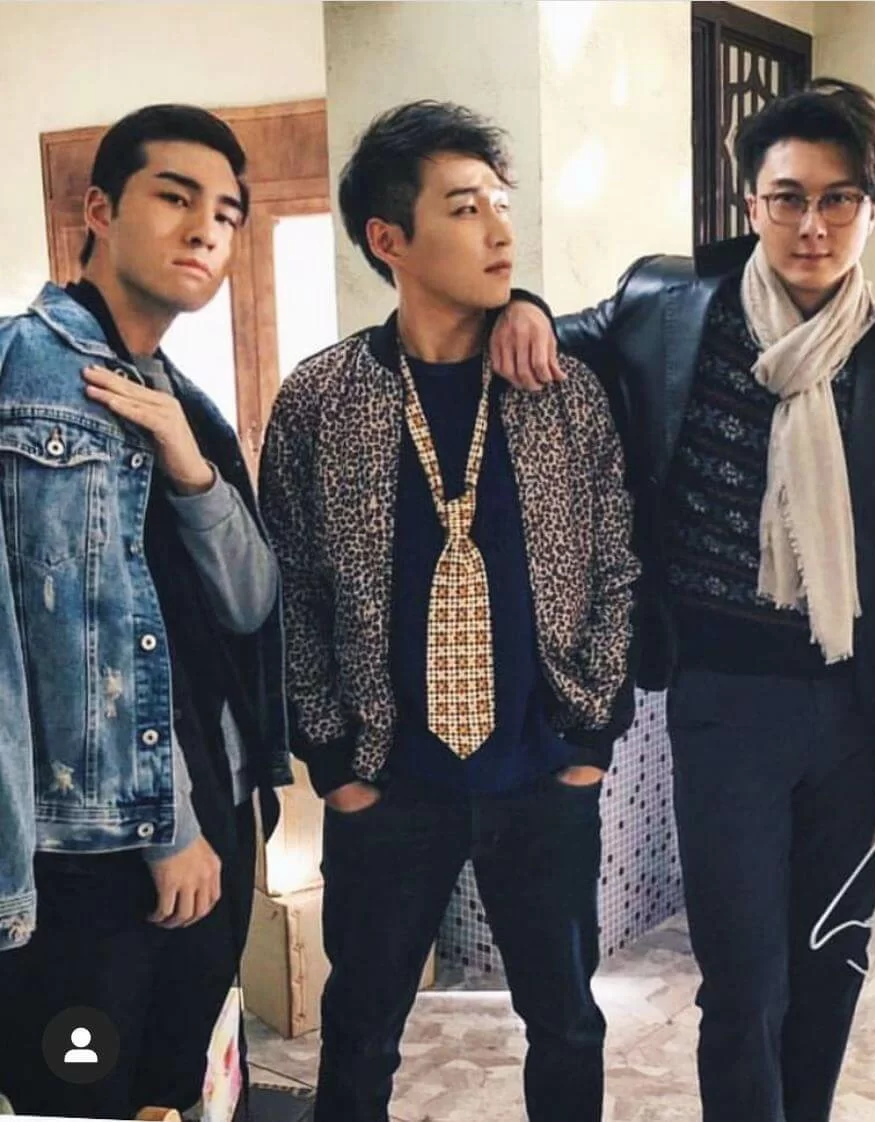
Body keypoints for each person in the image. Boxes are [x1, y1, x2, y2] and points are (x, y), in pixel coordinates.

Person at [492, 78, 875, 1122]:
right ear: (752, 205)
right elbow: (565, 335)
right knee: (743, 984)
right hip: (722, 706)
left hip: (852, 716)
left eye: (839, 199)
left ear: (872, 211)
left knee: (830, 963)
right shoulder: (669, 305)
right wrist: (521, 305)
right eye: (788, 198)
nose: (812, 225)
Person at [258, 100, 639, 1122]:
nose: (500, 230)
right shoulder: (321, 401)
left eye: (501, 205)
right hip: (389, 785)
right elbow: (293, 592)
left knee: (567, 1024)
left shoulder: (559, 389)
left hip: (542, 772)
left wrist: (590, 738)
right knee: (360, 1030)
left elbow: (615, 564)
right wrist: (334, 766)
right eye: (466, 209)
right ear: (389, 239)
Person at [0, 104, 290, 1120]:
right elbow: (51, 645)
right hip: (98, 846)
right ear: (98, 210)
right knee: (81, 1091)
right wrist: (166, 828)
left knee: (177, 1088)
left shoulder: (181, 401)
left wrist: (192, 470)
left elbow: (250, 604)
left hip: (217, 810)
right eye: (174, 197)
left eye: (228, 213)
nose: (205, 228)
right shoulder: (28, 378)